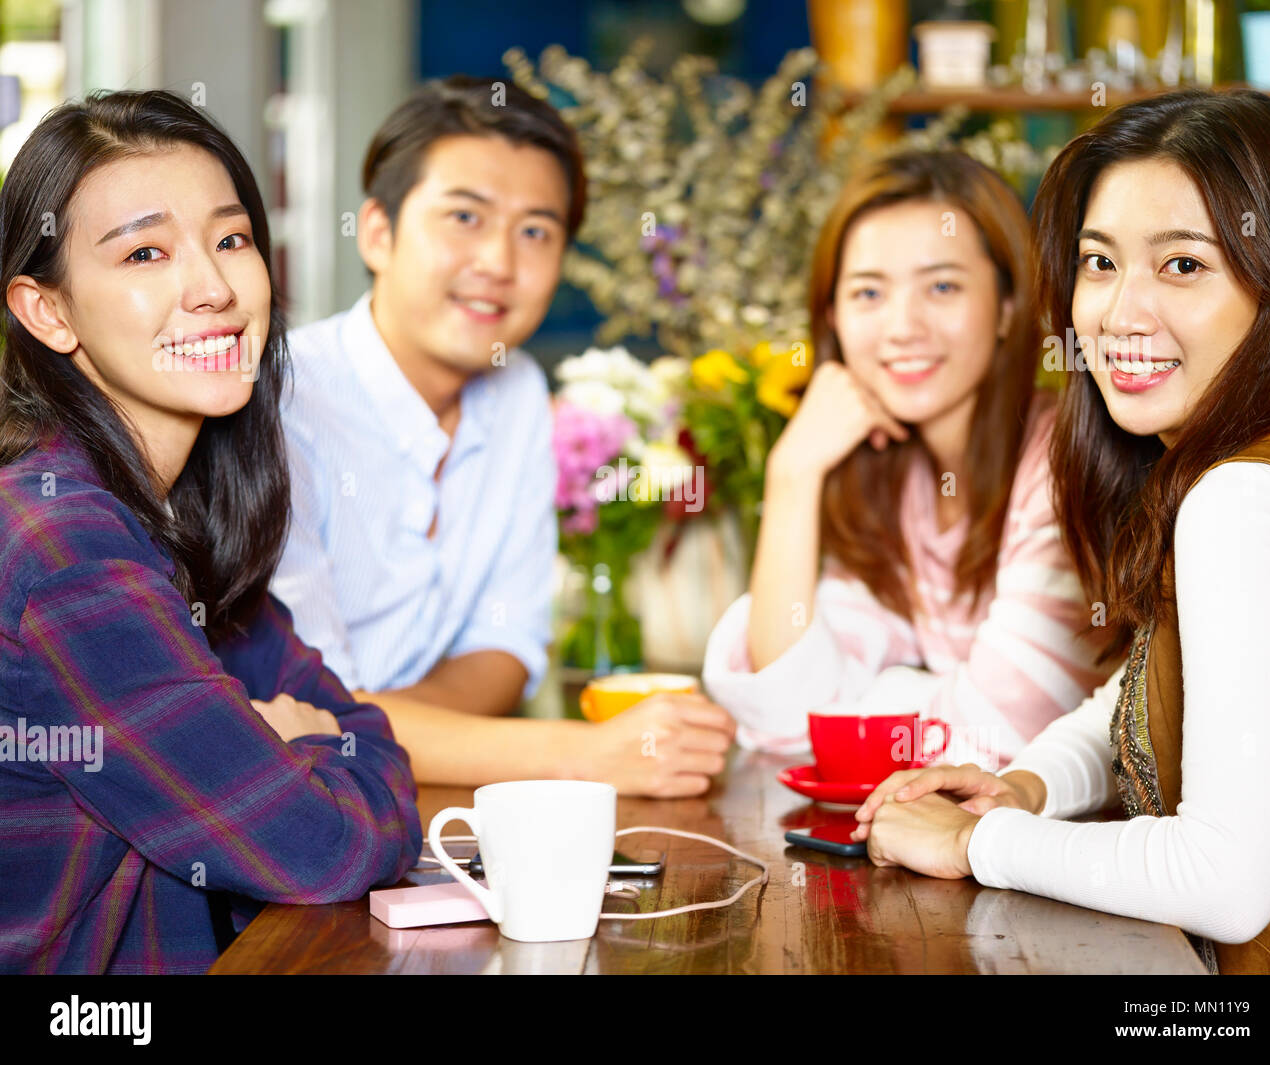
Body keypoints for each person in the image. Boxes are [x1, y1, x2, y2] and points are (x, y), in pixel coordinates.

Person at [854, 88, 1270, 976]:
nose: (1119, 314)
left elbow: (1223, 881)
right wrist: (1029, 781)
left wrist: (980, 840)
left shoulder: (1242, 498)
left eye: (1182, 266)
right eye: (1100, 263)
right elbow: (1165, 690)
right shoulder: (1240, 468)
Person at [0, 90, 423, 975]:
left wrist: (310, 744)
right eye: (146, 252)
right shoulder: (64, 548)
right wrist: (300, 747)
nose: (215, 289)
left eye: (231, 239)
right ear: (48, 311)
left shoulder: (169, 510)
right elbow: (323, 849)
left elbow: (361, 725)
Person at [272, 77, 734, 796]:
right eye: (464, 216)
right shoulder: (281, 402)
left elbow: (506, 646)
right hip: (285, 837)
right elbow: (302, 710)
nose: (499, 262)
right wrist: (585, 754)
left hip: (426, 809)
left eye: (535, 231)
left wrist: (374, 736)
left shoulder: (514, 390)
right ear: (377, 232)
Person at [702, 150, 1114, 769]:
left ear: (1007, 306)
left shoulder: (1064, 463)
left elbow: (1007, 732)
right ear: (834, 318)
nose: (902, 327)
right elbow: (785, 712)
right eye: (868, 292)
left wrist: (884, 696)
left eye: (942, 286)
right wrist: (792, 475)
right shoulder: (898, 479)